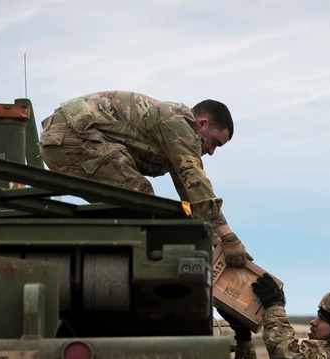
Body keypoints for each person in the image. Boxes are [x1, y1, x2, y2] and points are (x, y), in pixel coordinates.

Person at [39, 91, 251, 267]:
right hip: (70, 138)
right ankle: (139, 270)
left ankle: (118, 264)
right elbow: (195, 180)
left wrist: (217, 243)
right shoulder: (178, 122)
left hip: (68, 141)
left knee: (135, 205)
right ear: (202, 123)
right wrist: (229, 237)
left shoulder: (175, 139)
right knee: (141, 196)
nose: (212, 151)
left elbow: (190, 194)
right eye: (214, 142)